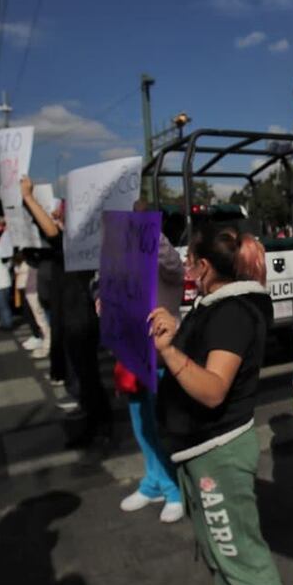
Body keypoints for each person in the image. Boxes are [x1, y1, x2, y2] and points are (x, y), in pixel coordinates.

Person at [149, 223, 286, 585]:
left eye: (189, 261)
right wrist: (171, 335)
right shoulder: (215, 305)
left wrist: (170, 352)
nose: (185, 268)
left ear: (205, 266)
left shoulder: (232, 313)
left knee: (244, 560)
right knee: (219, 550)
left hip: (218, 453)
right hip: (201, 450)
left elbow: (212, 390)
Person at [21, 176, 111, 448]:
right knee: (84, 377)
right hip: (72, 317)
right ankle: (95, 424)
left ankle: (100, 428)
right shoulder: (78, 244)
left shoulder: (79, 244)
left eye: (62, 211)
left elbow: (52, 233)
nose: (56, 213)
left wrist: (28, 198)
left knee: (87, 377)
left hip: (80, 319)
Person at [117, 223, 185, 524]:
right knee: (142, 426)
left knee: (161, 428)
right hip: (132, 357)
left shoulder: (163, 261)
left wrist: (146, 227)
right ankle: (153, 482)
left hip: (159, 358)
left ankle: (174, 489)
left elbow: (173, 263)